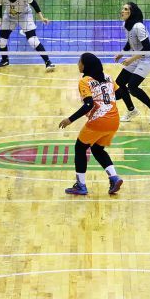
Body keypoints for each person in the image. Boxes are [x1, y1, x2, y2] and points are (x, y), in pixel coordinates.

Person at [59, 53, 124, 195]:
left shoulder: (85, 81)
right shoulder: (108, 77)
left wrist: (70, 120)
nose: (78, 64)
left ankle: (80, 185)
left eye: (79, 61)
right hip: (114, 121)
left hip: (99, 121)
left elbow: (89, 104)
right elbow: (120, 94)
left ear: (85, 65)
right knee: (97, 149)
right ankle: (114, 177)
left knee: (80, 148)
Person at [114, 2, 150, 124]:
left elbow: (147, 48)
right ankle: (132, 110)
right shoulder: (126, 24)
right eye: (122, 9)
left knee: (132, 87)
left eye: (125, 9)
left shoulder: (139, 27)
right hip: (138, 57)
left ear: (132, 12)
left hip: (148, 58)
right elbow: (130, 42)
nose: (122, 11)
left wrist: (131, 59)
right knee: (120, 82)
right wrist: (121, 53)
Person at [0, 0, 55, 70]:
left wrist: (42, 18)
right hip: (9, 17)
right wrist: (0, 20)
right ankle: (5, 60)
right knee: (1, 41)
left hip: (25, 16)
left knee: (33, 41)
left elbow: (34, 4)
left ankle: (48, 62)